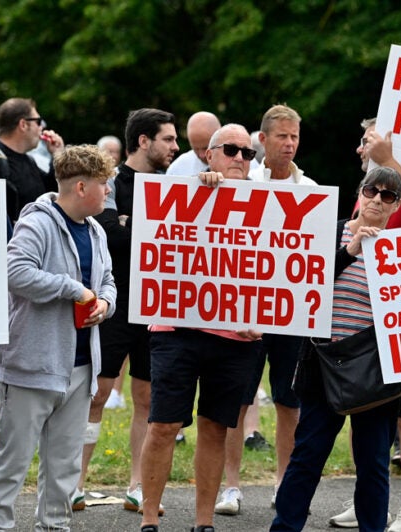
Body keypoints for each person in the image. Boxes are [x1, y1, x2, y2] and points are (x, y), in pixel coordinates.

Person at [0, 144, 117, 530]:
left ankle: (55, 527)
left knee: (65, 467)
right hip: (31, 364)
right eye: (104, 185)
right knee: (12, 462)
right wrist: (73, 288)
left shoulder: (96, 231)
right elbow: (14, 272)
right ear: (82, 187)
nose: (109, 192)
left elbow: (107, 282)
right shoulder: (37, 223)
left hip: (81, 366)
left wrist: (104, 303)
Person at [138, 123, 263, 532]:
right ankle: (149, 520)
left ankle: (203, 523)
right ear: (208, 155)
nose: (240, 159)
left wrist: (265, 320)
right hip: (177, 330)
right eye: (230, 150)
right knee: (164, 426)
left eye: (247, 153)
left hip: (236, 337)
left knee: (215, 428)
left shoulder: (269, 202)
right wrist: (199, 185)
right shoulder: (186, 185)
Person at [272, 166, 401, 532]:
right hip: (322, 362)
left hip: (376, 370)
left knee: (374, 463)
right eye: (372, 191)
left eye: (388, 195)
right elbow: (304, 280)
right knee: (307, 456)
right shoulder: (326, 233)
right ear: (359, 193)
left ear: (396, 206)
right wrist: (351, 249)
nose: (378, 200)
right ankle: (284, 527)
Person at [328, 118, 401, 532]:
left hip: (398, 324)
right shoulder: (367, 194)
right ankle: (367, 497)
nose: (363, 147)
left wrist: (386, 158)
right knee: (363, 409)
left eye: (370, 139)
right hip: (363, 333)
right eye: (363, 140)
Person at [74, 108, 178, 514]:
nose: (176, 146)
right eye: (168, 139)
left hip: (158, 304)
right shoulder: (114, 180)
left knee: (148, 397)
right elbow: (109, 234)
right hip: (115, 302)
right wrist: (139, 228)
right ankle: (75, 484)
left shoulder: (176, 186)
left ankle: (138, 486)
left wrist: (130, 224)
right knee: (97, 393)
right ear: (143, 141)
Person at [215, 104, 315, 517]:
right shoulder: (239, 180)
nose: (289, 144)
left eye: (294, 137)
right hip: (246, 312)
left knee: (290, 402)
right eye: (282, 137)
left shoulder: (309, 188)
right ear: (263, 139)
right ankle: (230, 486)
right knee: (238, 401)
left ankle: (282, 485)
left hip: (290, 314)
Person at [0, 97, 64, 222]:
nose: (42, 128)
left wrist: (57, 155)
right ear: (23, 124)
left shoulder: (29, 161)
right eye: (38, 122)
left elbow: (52, 192)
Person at [166, 111, 220, 176]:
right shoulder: (178, 169)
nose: (201, 155)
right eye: (195, 149)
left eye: (206, 148)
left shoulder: (234, 163)